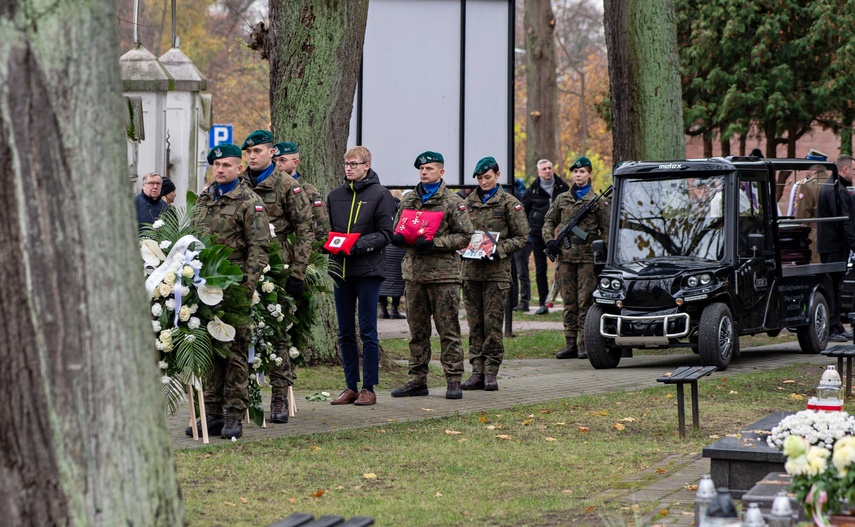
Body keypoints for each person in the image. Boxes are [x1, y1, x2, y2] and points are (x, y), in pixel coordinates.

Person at [187, 143, 270, 439]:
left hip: (234, 286)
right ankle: (211, 414)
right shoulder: (204, 199)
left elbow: (259, 248)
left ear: (239, 168)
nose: (220, 170)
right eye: (216, 165)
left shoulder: (249, 201)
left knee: (234, 351)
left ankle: (234, 413)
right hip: (204, 285)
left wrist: (246, 289)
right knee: (210, 350)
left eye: (226, 166)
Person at [240, 130, 314, 423]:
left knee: (277, 332)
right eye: (248, 152)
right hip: (243, 263)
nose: (252, 156)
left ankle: (280, 397)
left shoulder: (288, 186)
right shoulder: (240, 182)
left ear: (271, 153)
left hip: (277, 264)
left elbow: (306, 229)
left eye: (257, 151)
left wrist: (298, 271)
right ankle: (238, 398)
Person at [390, 151, 473, 400]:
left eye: (429, 168)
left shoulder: (452, 201)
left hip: (443, 276)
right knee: (417, 332)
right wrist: (398, 238)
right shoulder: (409, 200)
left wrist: (435, 242)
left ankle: (454, 379)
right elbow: (399, 227)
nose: (424, 172)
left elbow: (465, 236)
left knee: (448, 330)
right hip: (414, 275)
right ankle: (417, 380)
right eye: (421, 169)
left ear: (441, 172)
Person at [326, 146, 397, 406]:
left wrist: (354, 244)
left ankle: (369, 388)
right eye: (346, 163)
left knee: (368, 331)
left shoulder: (381, 195)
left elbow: (386, 234)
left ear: (367, 165)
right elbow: (328, 230)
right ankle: (350, 387)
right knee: (345, 331)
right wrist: (330, 244)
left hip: (368, 271)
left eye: (354, 164)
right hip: (340, 271)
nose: (349, 168)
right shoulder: (335, 196)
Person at [459, 157, 529, 391]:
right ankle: (476, 371)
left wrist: (499, 250)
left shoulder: (510, 203)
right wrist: (462, 246)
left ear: (498, 175)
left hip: (496, 273)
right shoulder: (467, 203)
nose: (484, 182)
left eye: (487, 177)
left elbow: (521, 237)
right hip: (471, 271)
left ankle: (491, 371)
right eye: (480, 178)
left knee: (492, 323)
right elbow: (459, 232)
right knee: (475, 324)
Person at [542, 156, 610, 360]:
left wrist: (603, 253)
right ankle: (570, 342)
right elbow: (548, 222)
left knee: (585, 302)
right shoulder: (562, 199)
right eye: (575, 172)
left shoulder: (597, 202)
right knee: (569, 302)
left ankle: (584, 343)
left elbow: (606, 230)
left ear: (589, 174)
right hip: (565, 258)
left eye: (582, 172)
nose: (578, 175)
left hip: (588, 259)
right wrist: (549, 241)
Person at [522, 159, 569, 314]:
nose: (547, 171)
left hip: (560, 235)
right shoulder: (532, 190)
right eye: (544, 169)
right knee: (541, 269)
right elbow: (524, 212)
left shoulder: (563, 187)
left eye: (550, 168)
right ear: (539, 172)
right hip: (538, 235)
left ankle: (566, 301)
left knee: (563, 268)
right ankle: (543, 302)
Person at [817, 155, 855, 342]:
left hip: (834, 245)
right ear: (845, 169)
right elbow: (843, 221)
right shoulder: (835, 190)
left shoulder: (836, 187)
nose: (854, 174)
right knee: (832, 287)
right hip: (833, 246)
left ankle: (837, 325)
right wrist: (853, 243)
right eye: (853, 170)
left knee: (837, 287)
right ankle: (832, 327)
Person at [272, 141, 331, 242]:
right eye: (274, 160)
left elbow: (322, 230)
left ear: (295, 163)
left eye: (282, 160)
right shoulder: (268, 188)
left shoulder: (309, 192)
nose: (277, 164)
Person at [379, 189, 407, 319]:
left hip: (385, 246)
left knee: (383, 281)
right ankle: (395, 310)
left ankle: (383, 309)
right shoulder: (402, 209)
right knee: (397, 280)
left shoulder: (381, 208)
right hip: (397, 248)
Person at [511, 177, 532, 312]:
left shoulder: (516, 194)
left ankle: (524, 302)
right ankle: (514, 303)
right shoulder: (516, 191)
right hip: (514, 240)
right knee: (515, 273)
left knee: (521, 273)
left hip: (523, 241)